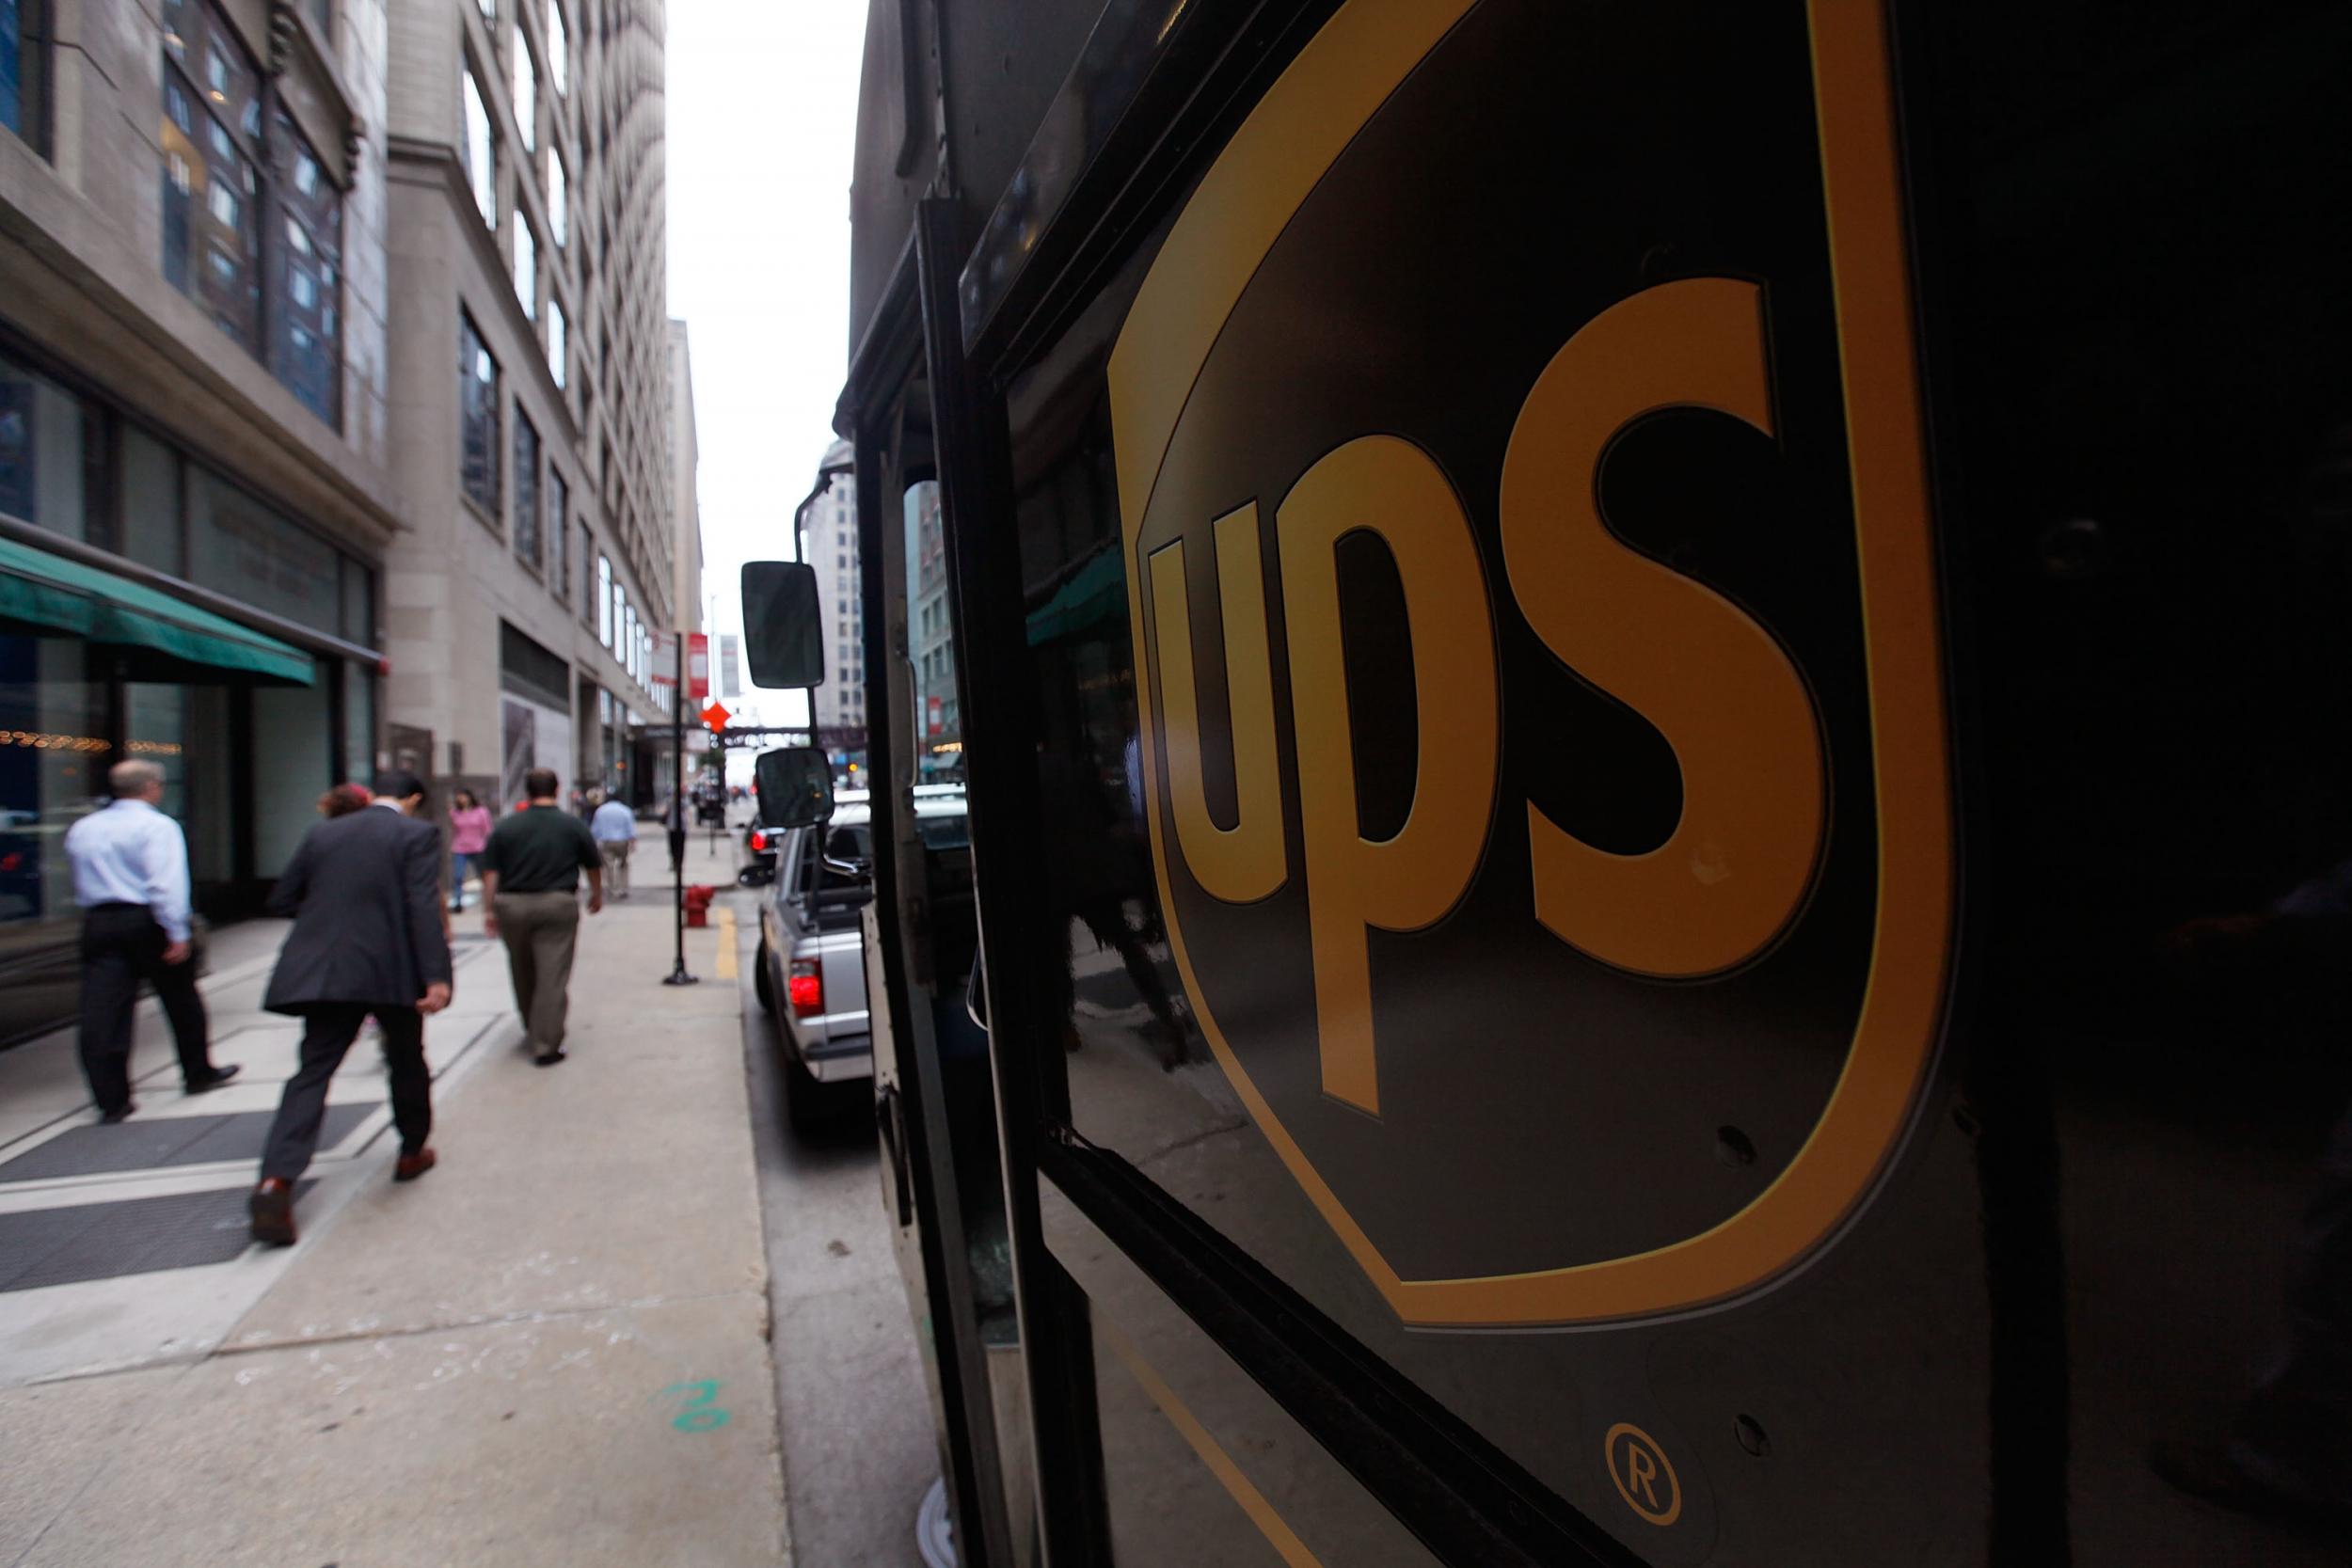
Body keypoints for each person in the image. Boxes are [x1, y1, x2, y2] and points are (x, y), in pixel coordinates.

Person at [248, 768, 453, 1246]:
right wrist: (438, 975)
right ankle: (410, 1150)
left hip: (329, 969)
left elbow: (282, 898)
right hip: (391, 969)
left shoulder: (324, 833)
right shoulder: (416, 833)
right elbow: (422, 904)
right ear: (413, 798)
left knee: (312, 1071)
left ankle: (276, 1178)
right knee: (405, 1058)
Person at [63, 759, 239, 1123]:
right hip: (146, 919)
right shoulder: (158, 827)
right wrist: (176, 931)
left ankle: (111, 1099)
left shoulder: (84, 828)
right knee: (181, 998)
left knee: (103, 1011)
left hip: (99, 920)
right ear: (151, 787)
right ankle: (197, 1071)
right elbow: (166, 884)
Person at [480, 767, 603, 1065]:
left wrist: (488, 909)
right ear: (557, 789)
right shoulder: (571, 825)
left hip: (512, 905)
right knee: (552, 975)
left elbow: (490, 873)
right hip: (556, 904)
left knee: (522, 970)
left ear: (527, 791)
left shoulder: (507, 827)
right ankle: (546, 1043)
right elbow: (592, 865)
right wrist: (596, 894)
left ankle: (531, 1027)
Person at [447, 787, 492, 912]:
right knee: (458, 876)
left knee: (483, 876)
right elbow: (454, 830)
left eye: (463, 796)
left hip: (478, 847)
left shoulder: (481, 812)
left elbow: (487, 830)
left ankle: (489, 902)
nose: (461, 799)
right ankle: (457, 902)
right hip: (460, 847)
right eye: (459, 797)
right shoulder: (454, 812)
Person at [590, 790, 638, 899]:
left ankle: (612, 889)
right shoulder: (625, 810)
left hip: (606, 841)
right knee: (624, 865)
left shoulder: (601, 811)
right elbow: (630, 828)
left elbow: (595, 829)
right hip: (622, 841)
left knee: (608, 866)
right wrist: (633, 842)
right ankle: (623, 888)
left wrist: (594, 841)